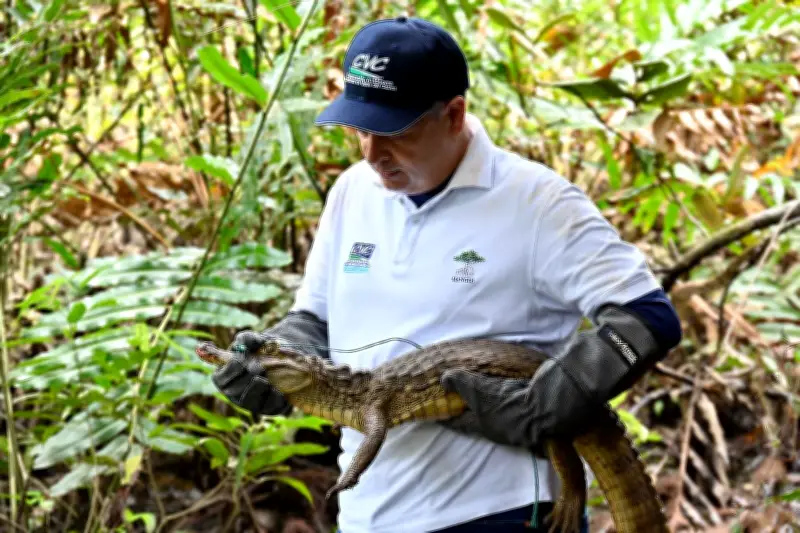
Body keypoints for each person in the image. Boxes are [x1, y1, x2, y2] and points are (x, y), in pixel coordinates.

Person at [211, 16, 682, 533]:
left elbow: (647, 318)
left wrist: (552, 402)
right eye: (361, 130)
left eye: (394, 131)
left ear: (454, 114)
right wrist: (268, 359)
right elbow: (317, 319)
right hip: (371, 512)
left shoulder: (537, 202)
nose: (372, 154)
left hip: (499, 512)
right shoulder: (351, 193)